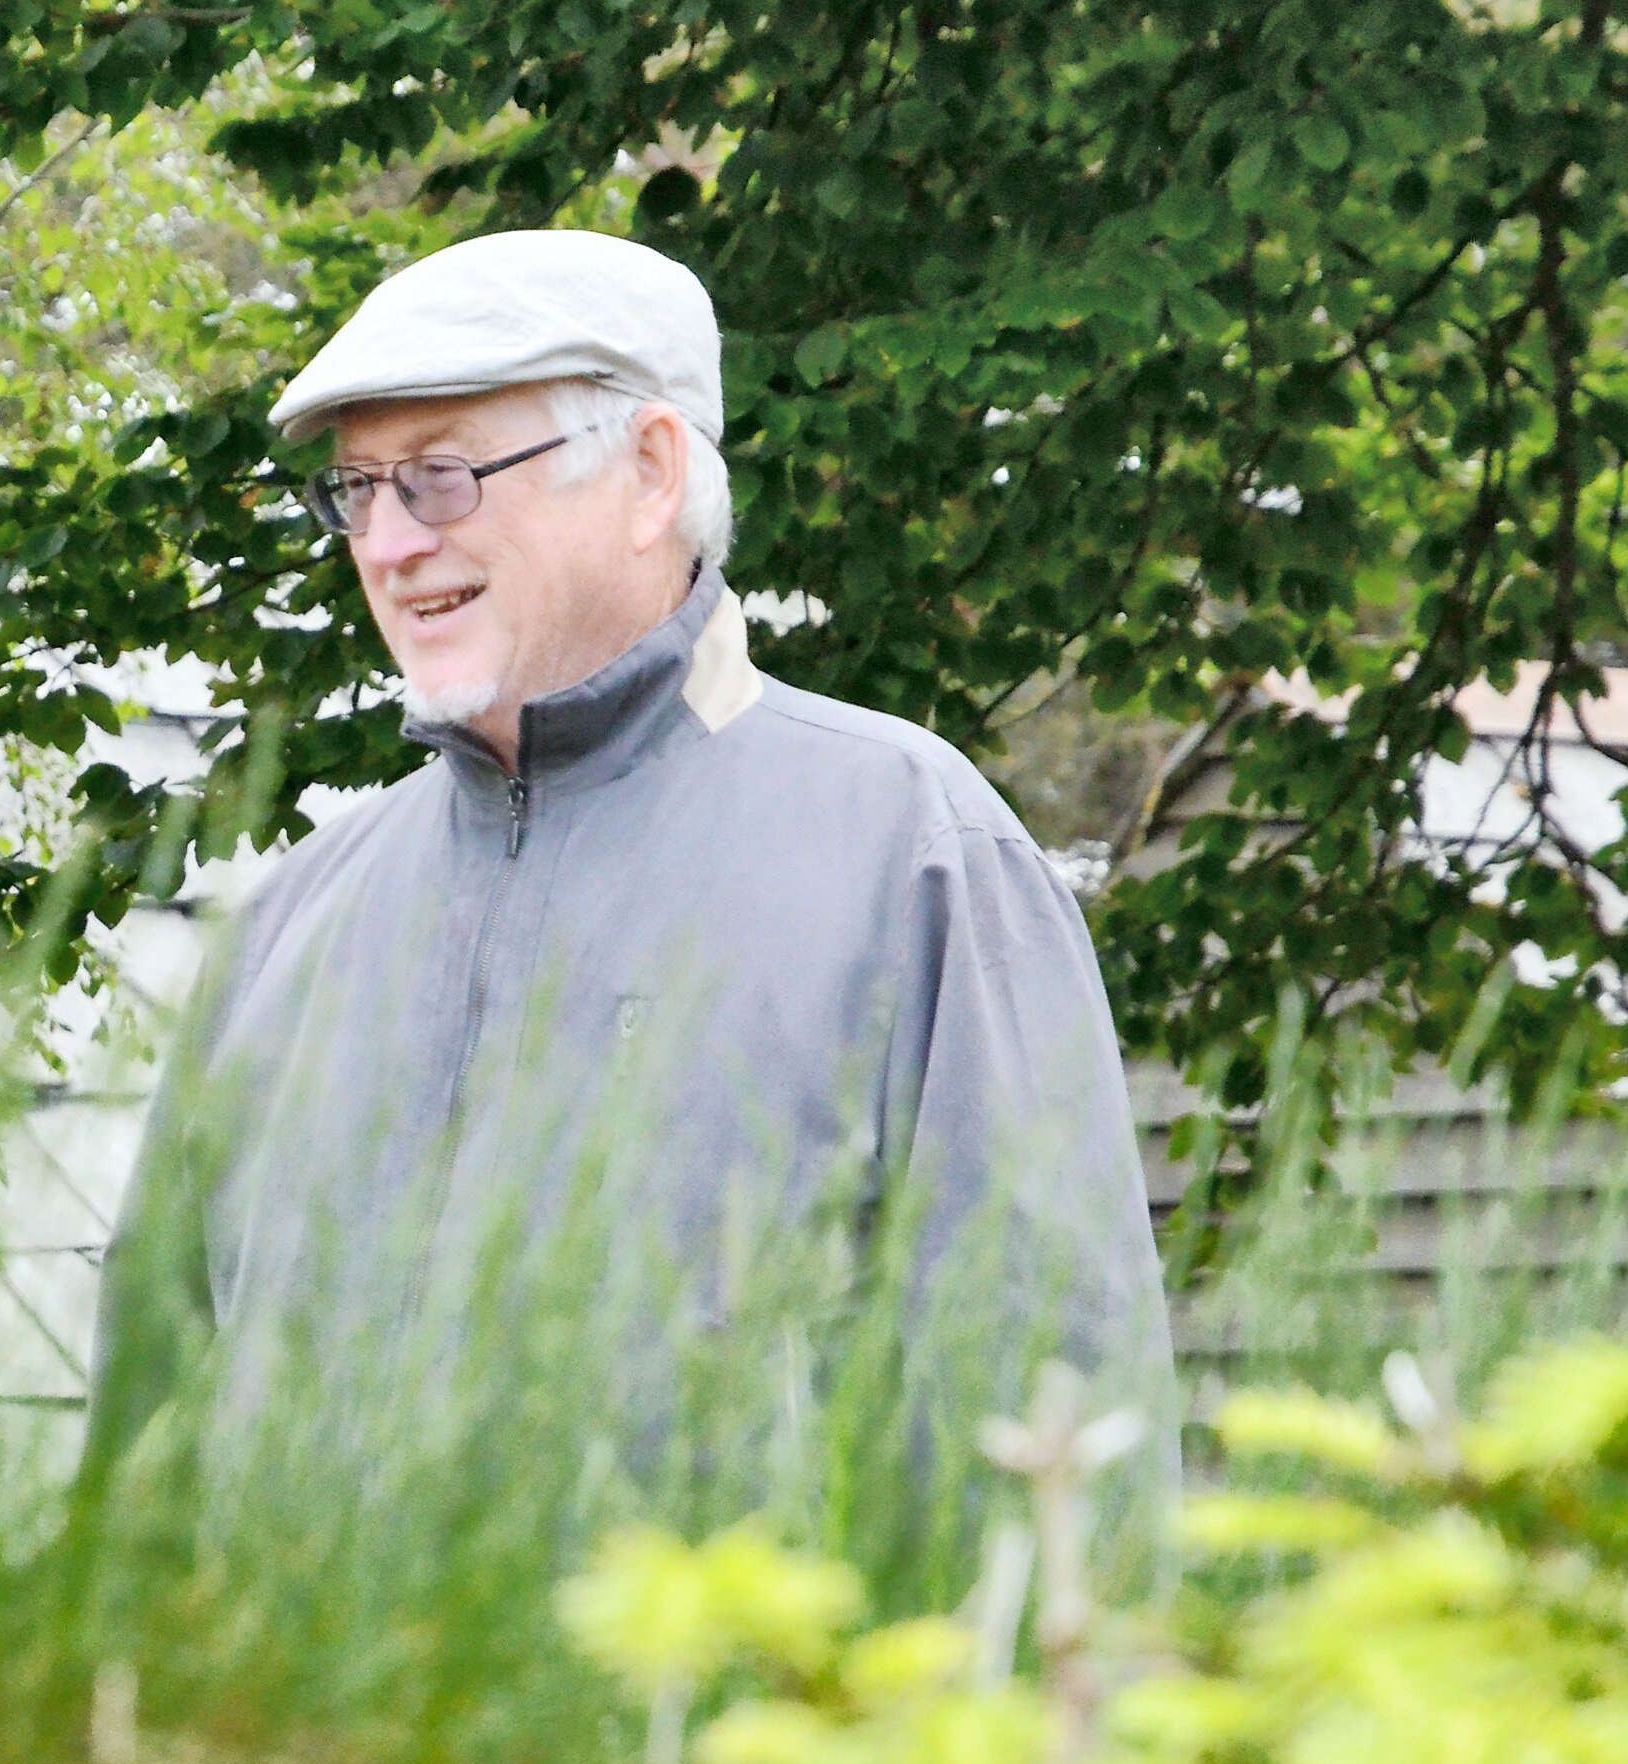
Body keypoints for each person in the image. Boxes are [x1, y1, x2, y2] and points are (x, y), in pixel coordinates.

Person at [81, 228, 1176, 1525]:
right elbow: (139, 1495)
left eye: (439, 477)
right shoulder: (286, 931)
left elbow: (1056, 1445)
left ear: (650, 472)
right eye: (357, 490)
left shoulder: (913, 857)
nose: (386, 542)